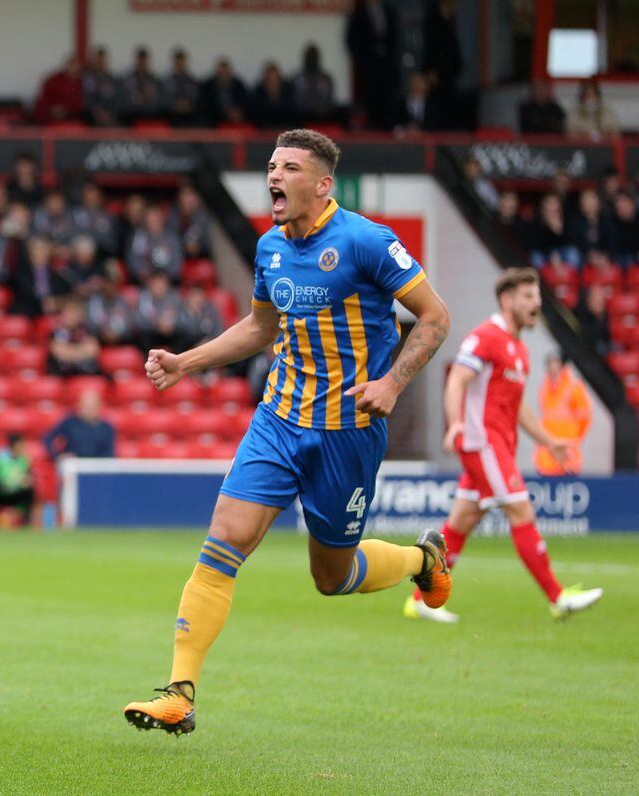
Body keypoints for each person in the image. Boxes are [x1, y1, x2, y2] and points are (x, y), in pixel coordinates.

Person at [123, 129, 452, 735]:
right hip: (277, 421)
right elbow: (259, 328)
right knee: (221, 543)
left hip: (347, 432)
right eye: (272, 166)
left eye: (290, 167)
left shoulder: (367, 242)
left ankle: (420, 558)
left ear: (322, 184)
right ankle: (179, 692)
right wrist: (184, 363)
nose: (275, 176)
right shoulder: (270, 247)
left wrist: (393, 385)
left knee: (332, 577)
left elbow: (434, 318)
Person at [404, 268, 602, 623]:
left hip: (498, 447)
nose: (536, 303)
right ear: (507, 300)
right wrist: (457, 424)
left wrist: (549, 441)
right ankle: (558, 598)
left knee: (460, 522)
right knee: (521, 512)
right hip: (482, 444)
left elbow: (518, 407)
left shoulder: (520, 351)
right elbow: (457, 382)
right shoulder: (485, 337)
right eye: (528, 296)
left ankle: (420, 600)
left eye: (537, 296)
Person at [346, 0, 400, 129]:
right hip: (368, 69)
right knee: (369, 101)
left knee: (387, 101)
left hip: (387, 68)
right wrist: (363, 58)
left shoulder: (389, 12)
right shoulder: (359, 13)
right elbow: (351, 39)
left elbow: (395, 40)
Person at [536, 353, 591, 475]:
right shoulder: (544, 388)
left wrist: (573, 439)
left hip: (567, 454)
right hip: (547, 454)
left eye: (555, 363)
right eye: (550, 364)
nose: (552, 368)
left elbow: (585, 419)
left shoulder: (574, 387)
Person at [44, 390, 115, 459]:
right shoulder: (70, 423)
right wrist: (58, 456)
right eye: (86, 406)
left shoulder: (107, 428)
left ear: (99, 406)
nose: (89, 410)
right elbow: (48, 438)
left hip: (96, 467)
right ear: (79, 405)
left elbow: (109, 454)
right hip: (73, 465)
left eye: (93, 406)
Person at [0, 434, 35, 527]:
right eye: (20, 444)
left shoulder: (25, 459)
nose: (22, 447)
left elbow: (29, 475)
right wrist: (1, 484)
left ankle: (26, 521)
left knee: (30, 490)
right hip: (0, 491)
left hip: (17, 492)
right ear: (13, 445)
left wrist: (27, 481)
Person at [47, 300, 101, 377]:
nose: (71, 317)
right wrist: (82, 351)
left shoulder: (87, 331)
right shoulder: (56, 333)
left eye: (74, 313)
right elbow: (59, 352)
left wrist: (69, 352)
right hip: (62, 376)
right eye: (68, 313)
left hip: (86, 375)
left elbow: (93, 350)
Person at [291, 44, 336, 125]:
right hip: (301, 119)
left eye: (314, 56)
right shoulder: (298, 78)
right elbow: (295, 101)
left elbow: (329, 101)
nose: (312, 59)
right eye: (309, 56)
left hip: (323, 118)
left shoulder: (326, 78)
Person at [35, 55, 84, 125]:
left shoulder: (83, 82)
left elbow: (82, 103)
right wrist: (53, 109)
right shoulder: (53, 80)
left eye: (77, 65)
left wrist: (67, 109)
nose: (74, 68)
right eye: (72, 65)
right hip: (51, 116)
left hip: (72, 116)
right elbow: (43, 98)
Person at [199, 58, 247, 127]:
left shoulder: (238, 85)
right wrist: (226, 113)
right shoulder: (208, 86)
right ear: (217, 72)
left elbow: (245, 101)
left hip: (237, 120)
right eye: (221, 73)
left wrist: (239, 112)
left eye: (226, 73)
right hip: (215, 120)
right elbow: (205, 105)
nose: (223, 75)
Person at [121, 47, 164, 123]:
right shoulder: (128, 79)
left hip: (151, 113)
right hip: (133, 114)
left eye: (144, 60)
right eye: (140, 60)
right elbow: (125, 98)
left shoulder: (155, 81)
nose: (142, 63)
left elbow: (159, 99)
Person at [83, 46, 122, 127]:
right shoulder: (88, 78)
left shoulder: (113, 79)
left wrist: (111, 112)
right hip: (94, 114)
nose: (101, 62)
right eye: (98, 59)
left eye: (103, 59)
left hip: (111, 114)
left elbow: (118, 98)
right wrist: (98, 111)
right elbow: (87, 98)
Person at [165, 48, 200, 127]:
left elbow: (196, 98)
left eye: (182, 63)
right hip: (173, 114)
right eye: (178, 63)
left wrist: (189, 105)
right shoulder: (167, 81)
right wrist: (176, 105)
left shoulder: (193, 81)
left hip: (190, 113)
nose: (180, 65)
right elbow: (164, 98)